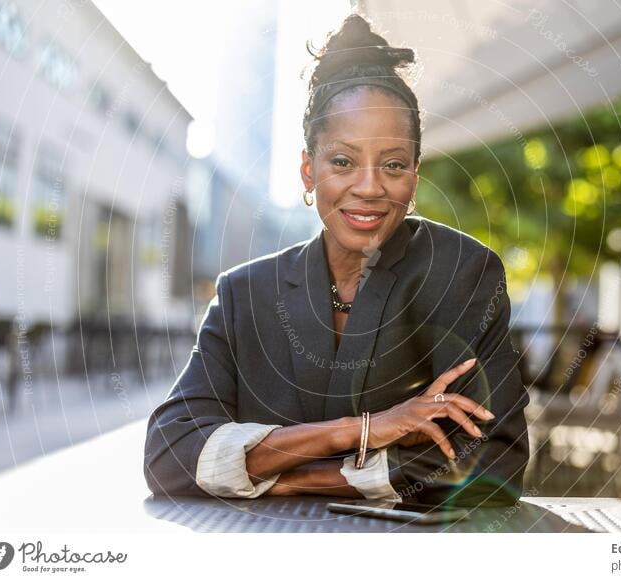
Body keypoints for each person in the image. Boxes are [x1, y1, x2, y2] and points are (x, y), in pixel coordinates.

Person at [143, 13, 529, 508]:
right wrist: (362, 432)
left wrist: (294, 476)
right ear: (309, 171)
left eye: (392, 165)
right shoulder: (244, 294)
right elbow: (168, 454)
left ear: (414, 175)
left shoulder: (461, 272)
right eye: (342, 161)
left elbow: (496, 462)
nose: (368, 188)